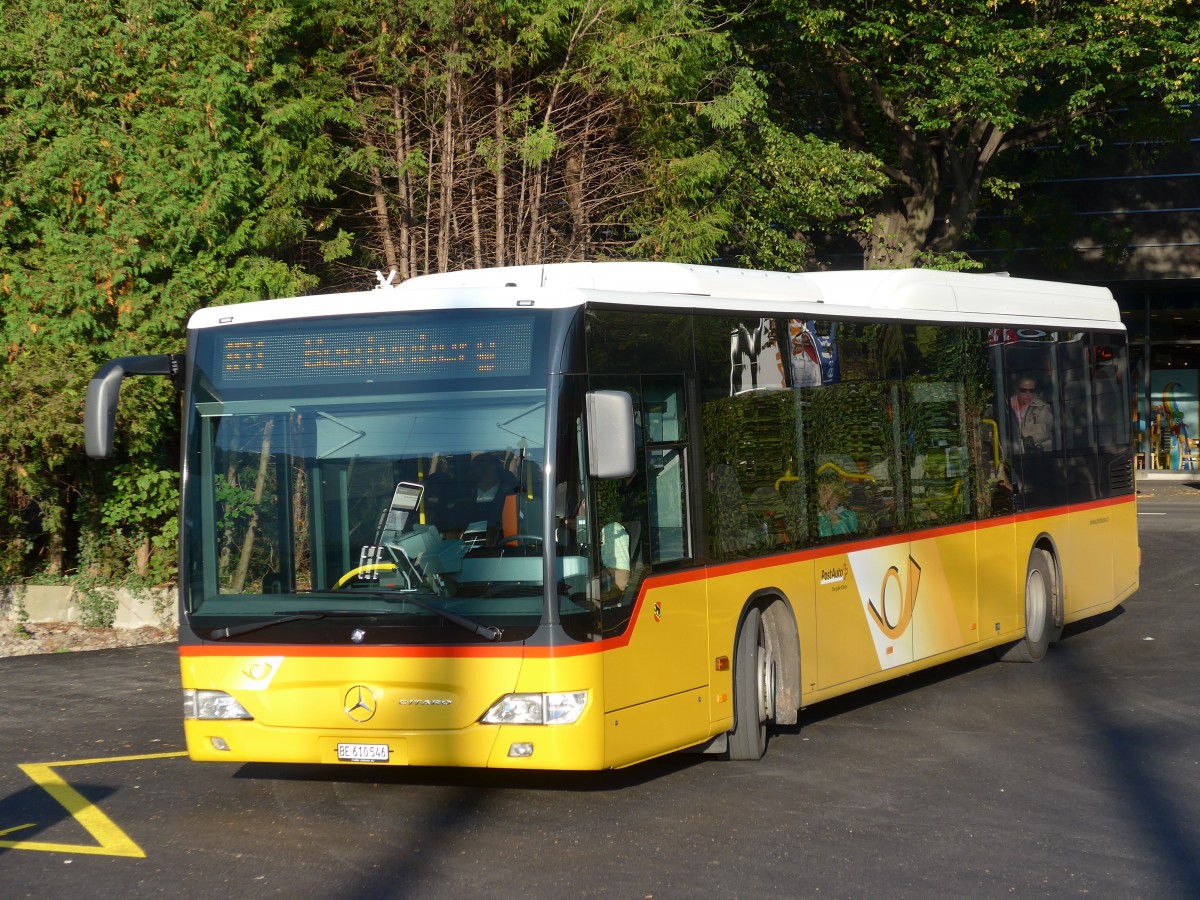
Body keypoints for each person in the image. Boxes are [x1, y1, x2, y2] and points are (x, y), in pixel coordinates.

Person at [1010, 376, 1053, 451]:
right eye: (1023, 390)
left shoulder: (1042, 408)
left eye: (1031, 390)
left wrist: (1016, 433)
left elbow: (1043, 431)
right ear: (1016, 389)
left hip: (1034, 456)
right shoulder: (1005, 406)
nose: (1028, 394)